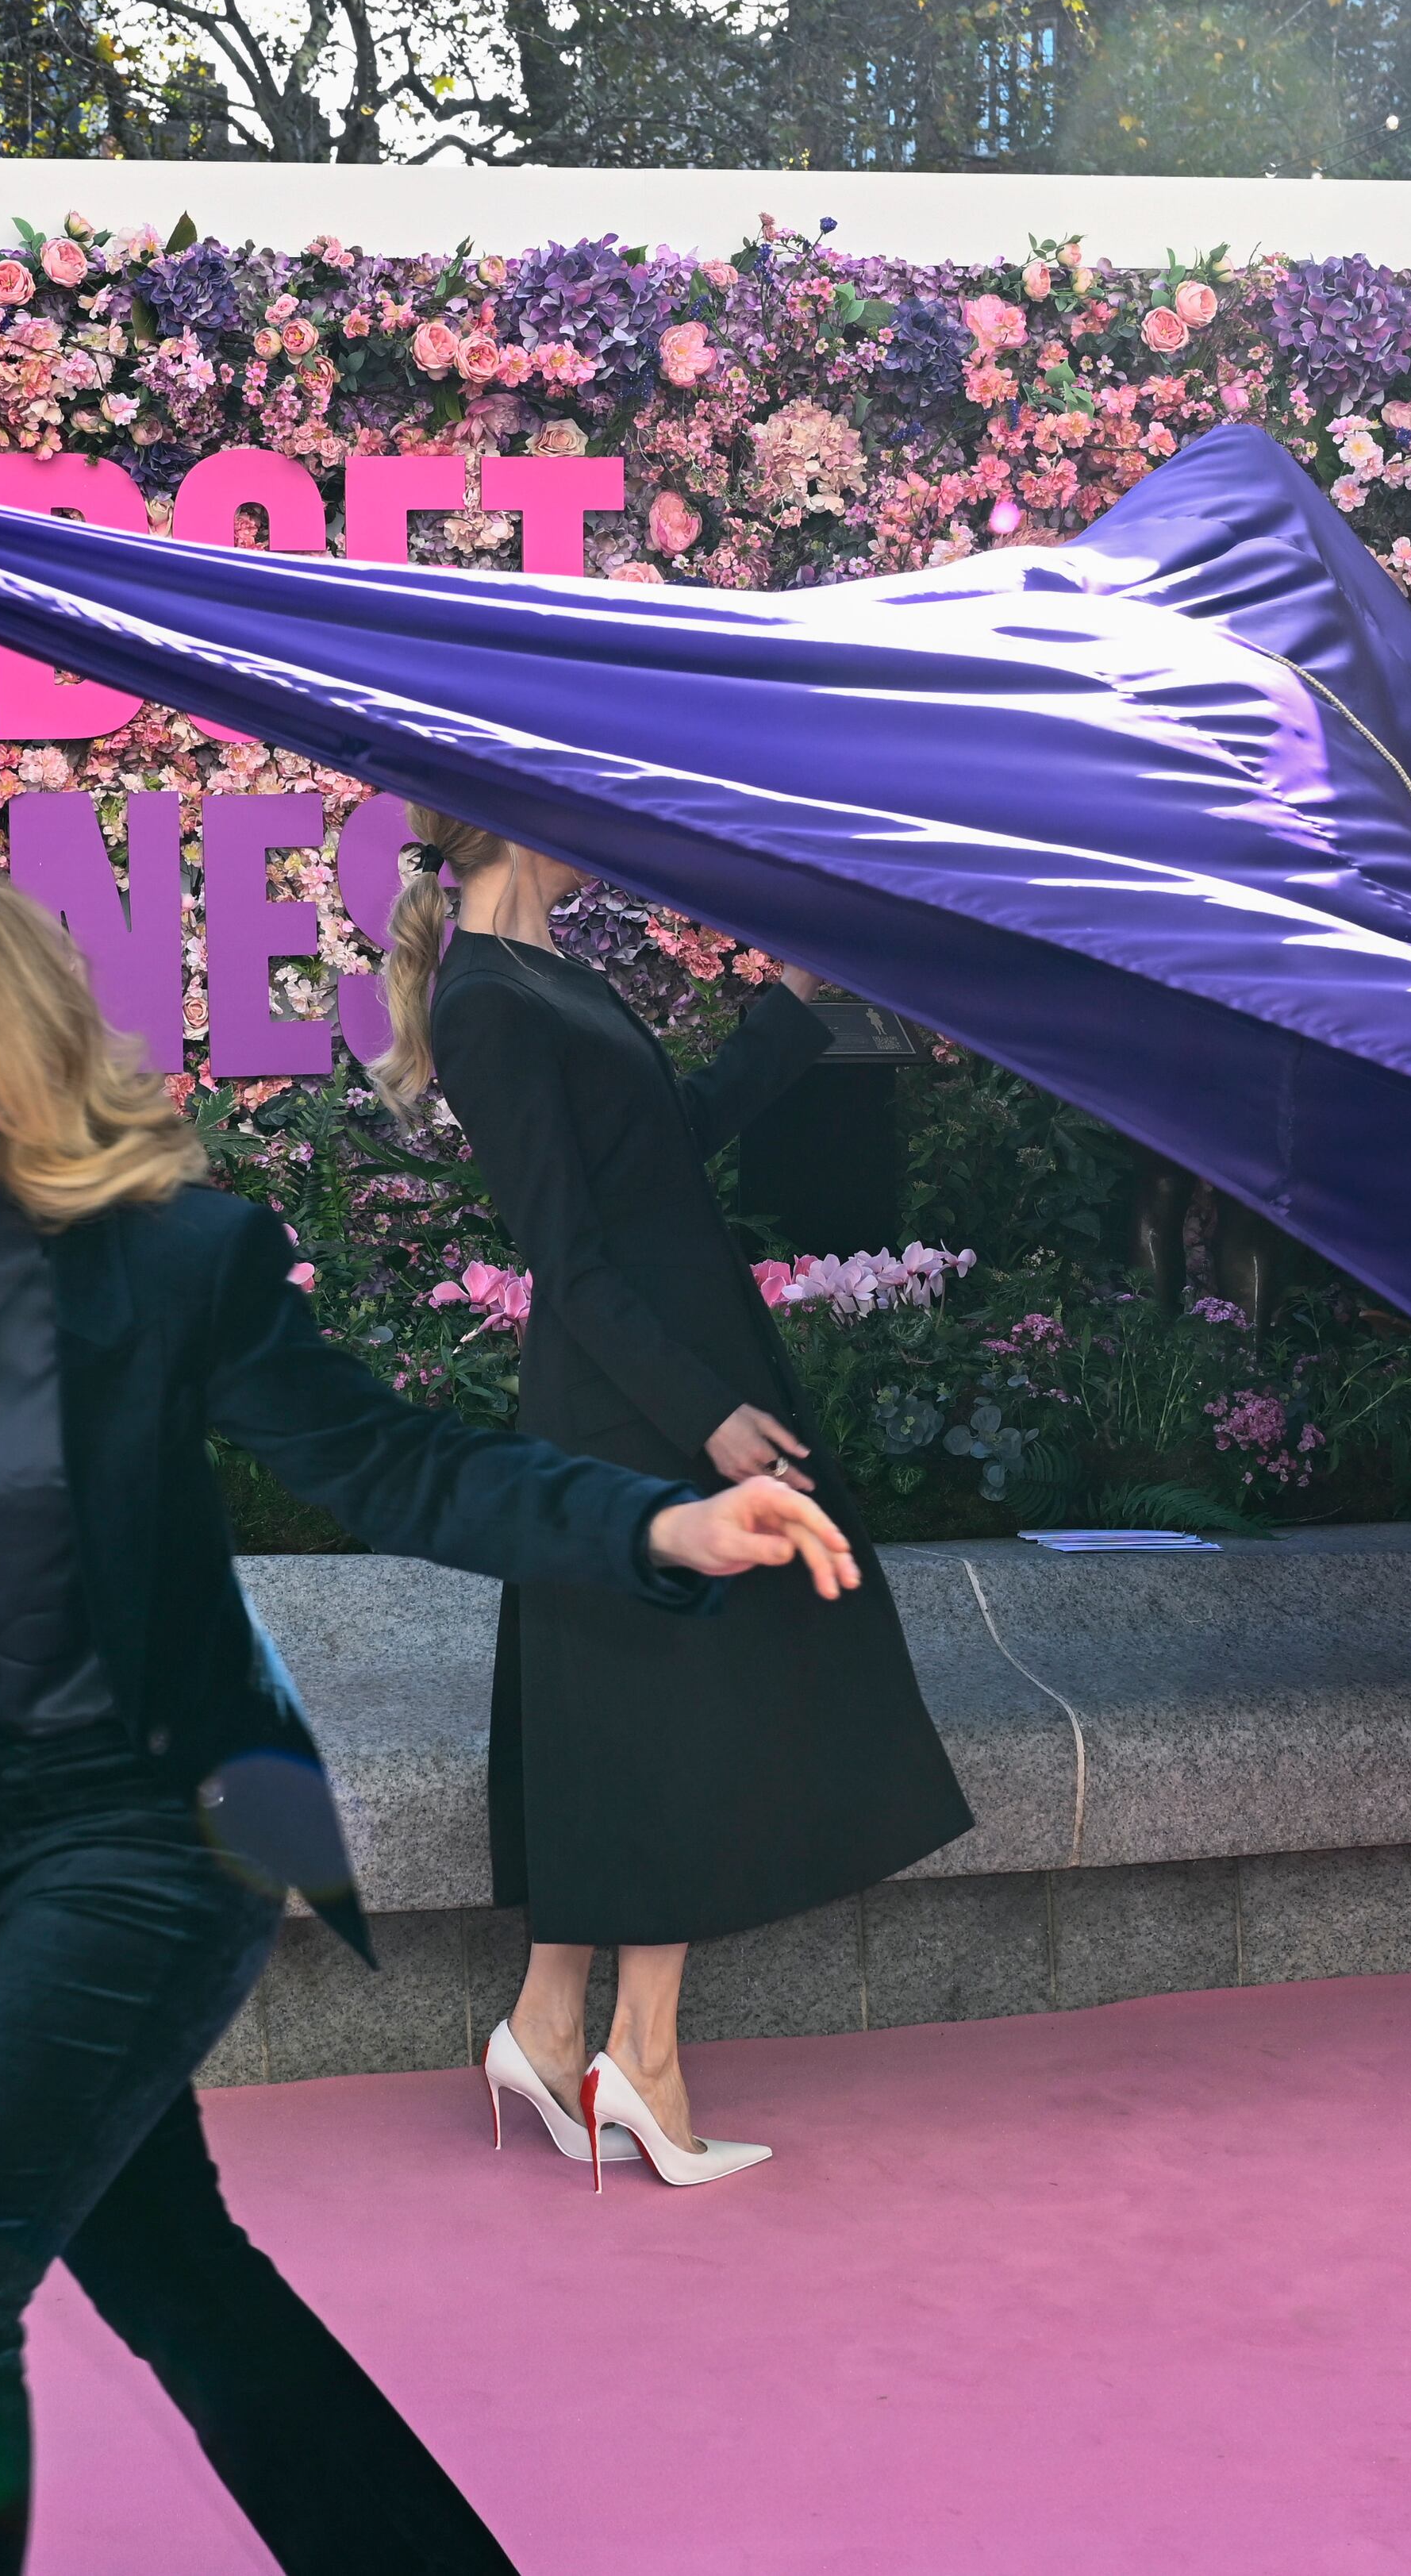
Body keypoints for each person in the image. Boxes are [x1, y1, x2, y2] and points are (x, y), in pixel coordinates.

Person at [0, 451, 859, 2573]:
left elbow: (399, 1463)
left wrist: (658, 1529)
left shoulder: (172, 1263)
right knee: (179, 2278)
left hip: (156, 1844)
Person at [367, 811, 975, 2189]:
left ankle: (555, 2024)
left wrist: (790, 1001)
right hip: (632, 1400)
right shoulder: (486, 997)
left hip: (675, 1372)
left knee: (648, 1706)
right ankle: (633, 2055)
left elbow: (666, 1144)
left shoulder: (555, 977)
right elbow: (564, 1254)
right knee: (677, 1706)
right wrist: (699, 1413)